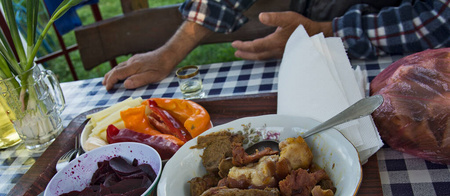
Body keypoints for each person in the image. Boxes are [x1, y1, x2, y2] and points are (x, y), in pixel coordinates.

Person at [102, 0, 450, 91]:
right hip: (304, 63)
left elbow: (437, 20)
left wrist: (326, 32)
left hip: (409, 73)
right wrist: (170, 53)